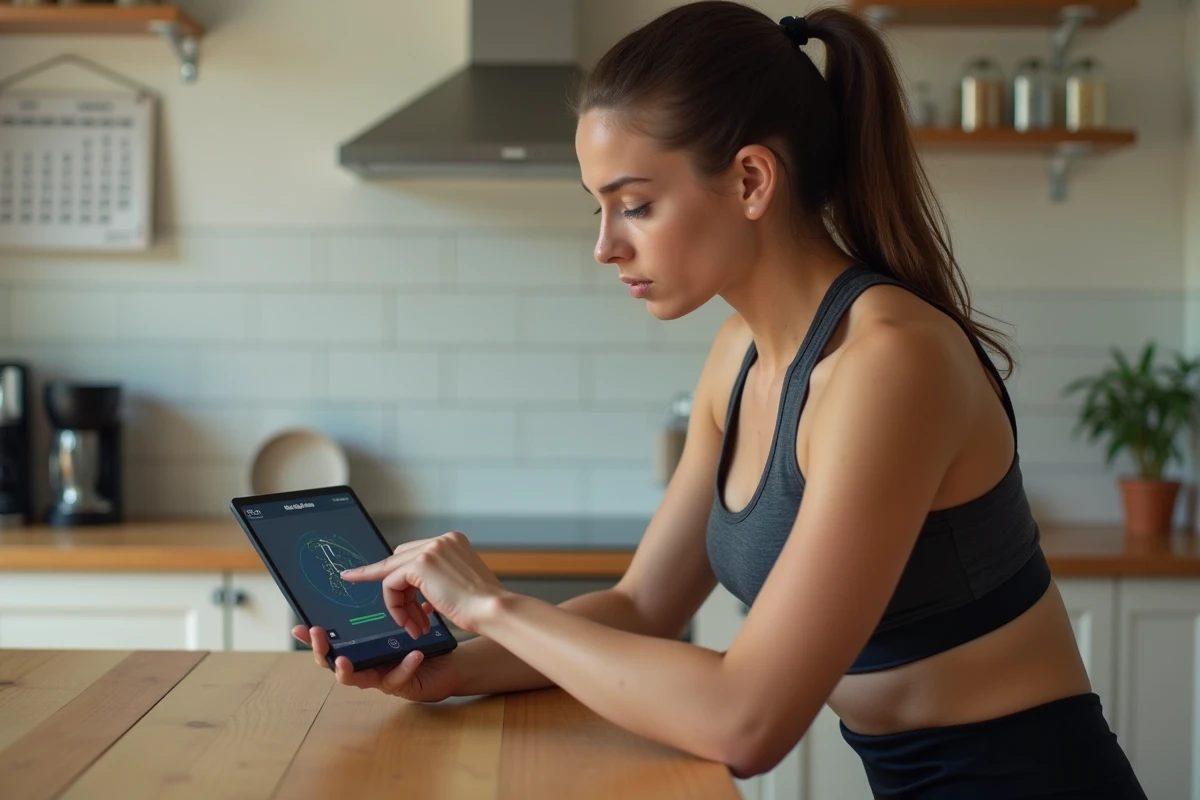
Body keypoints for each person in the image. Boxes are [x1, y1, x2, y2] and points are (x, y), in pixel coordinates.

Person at [293, 3, 1147, 797]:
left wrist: (493, 603)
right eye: (598, 207)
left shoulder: (889, 362)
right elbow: (643, 607)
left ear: (749, 181)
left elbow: (749, 721)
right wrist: (453, 663)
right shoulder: (739, 354)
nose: (604, 245)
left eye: (634, 204)